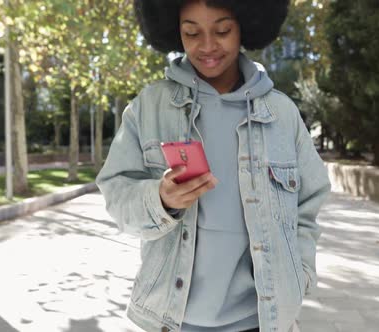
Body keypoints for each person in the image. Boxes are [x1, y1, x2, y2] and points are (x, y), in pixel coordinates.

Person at [96, 0, 330, 331]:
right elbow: (116, 196)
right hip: (172, 320)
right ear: (175, 31)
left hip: (261, 321)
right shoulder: (148, 107)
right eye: (192, 33)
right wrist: (160, 199)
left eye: (222, 30)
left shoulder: (282, 114)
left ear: (245, 25)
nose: (207, 46)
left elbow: (309, 202)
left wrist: (300, 273)